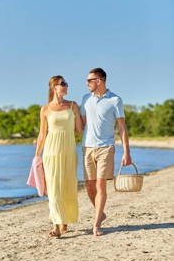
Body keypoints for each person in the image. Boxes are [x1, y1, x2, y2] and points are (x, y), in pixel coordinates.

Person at [80, 68, 132, 236]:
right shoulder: (85, 99)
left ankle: (96, 225)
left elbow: (122, 128)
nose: (86, 83)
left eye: (89, 80)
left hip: (106, 148)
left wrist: (127, 152)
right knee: (89, 186)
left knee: (100, 184)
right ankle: (100, 213)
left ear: (99, 80)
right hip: (87, 147)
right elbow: (80, 125)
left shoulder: (115, 100)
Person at [35, 75, 83, 238]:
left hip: (69, 151)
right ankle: (56, 225)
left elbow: (80, 130)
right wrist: (37, 156)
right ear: (54, 87)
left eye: (66, 84)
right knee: (54, 188)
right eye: (63, 84)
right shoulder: (45, 109)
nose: (66, 86)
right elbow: (42, 134)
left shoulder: (72, 106)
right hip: (51, 152)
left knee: (67, 186)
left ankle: (65, 220)